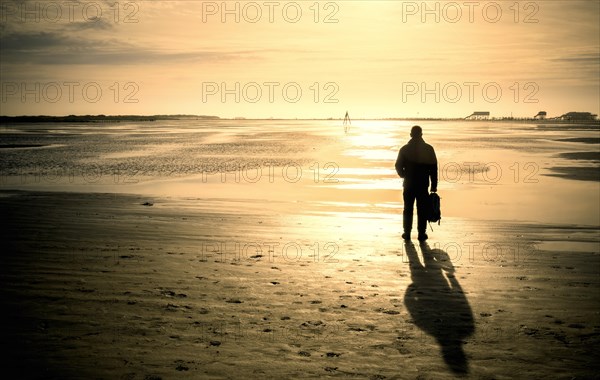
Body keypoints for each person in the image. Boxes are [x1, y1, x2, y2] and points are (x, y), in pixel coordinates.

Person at [395, 125, 438, 241]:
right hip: (423, 184)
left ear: (410, 135)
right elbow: (434, 168)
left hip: (409, 184)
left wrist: (403, 175)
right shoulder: (429, 149)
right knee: (422, 209)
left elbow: (398, 165)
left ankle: (407, 233)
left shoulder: (404, 149)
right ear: (421, 135)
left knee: (408, 208)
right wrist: (434, 185)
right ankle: (421, 234)